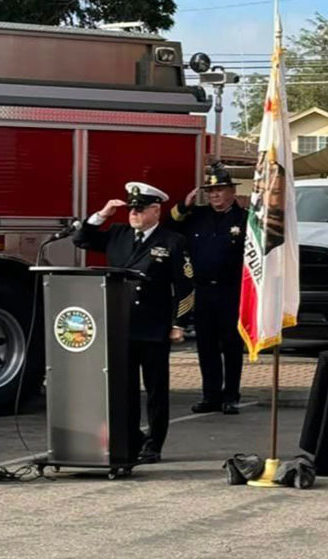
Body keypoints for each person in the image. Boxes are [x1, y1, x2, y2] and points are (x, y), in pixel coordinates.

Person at [73, 182, 194, 464]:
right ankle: (130, 439)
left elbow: (186, 286)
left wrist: (179, 323)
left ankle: (154, 444)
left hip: (153, 326)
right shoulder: (118, 234)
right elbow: (81, 239)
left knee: (155, 391)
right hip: (119, 325)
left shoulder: (172, 241)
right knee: (123, 389)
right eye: (131, 210)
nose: (133, 215)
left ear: (155, 210)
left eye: (140, 210)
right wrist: (102, 214)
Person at [170, 168, 248, 415]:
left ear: (232, 191)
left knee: (231, 344)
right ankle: (210, 395)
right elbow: (169, 227)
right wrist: (183, 206)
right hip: (202, 290)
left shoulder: (245, 219)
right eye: (211, 191)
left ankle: (231, 395)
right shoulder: (197, 217)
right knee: (206, 345)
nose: (214, 195)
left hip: (231, 290)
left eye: (219, 190)